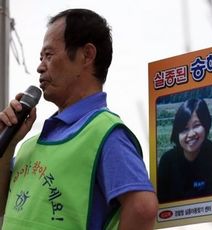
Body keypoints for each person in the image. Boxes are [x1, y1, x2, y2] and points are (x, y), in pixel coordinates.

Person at [0, 8, 158, 230]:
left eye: (49, 55)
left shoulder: (105, 133)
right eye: (40, 57)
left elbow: (142, 208)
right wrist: (9, 144)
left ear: (87, 55)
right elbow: (4, 205)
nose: (40, 66)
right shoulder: (28, 144)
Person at [157, 98, 212, 203]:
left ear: (206, 125)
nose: (191, 134)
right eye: (185, 129)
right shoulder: (167, 161)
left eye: (197, 126)